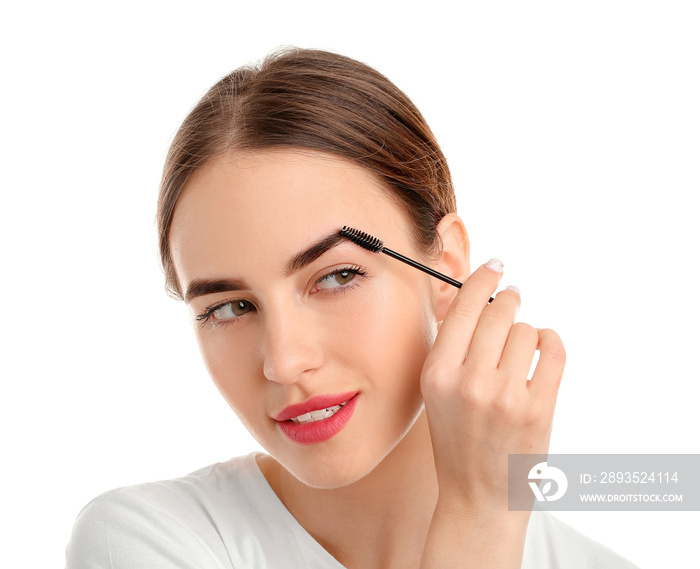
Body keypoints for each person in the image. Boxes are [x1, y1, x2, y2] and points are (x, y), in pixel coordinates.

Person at [66, 47, 638, 568]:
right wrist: (481, 517)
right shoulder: (143, 542)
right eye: (230, 307)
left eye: (338, 276)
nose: (284, 362)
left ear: (445, 268)